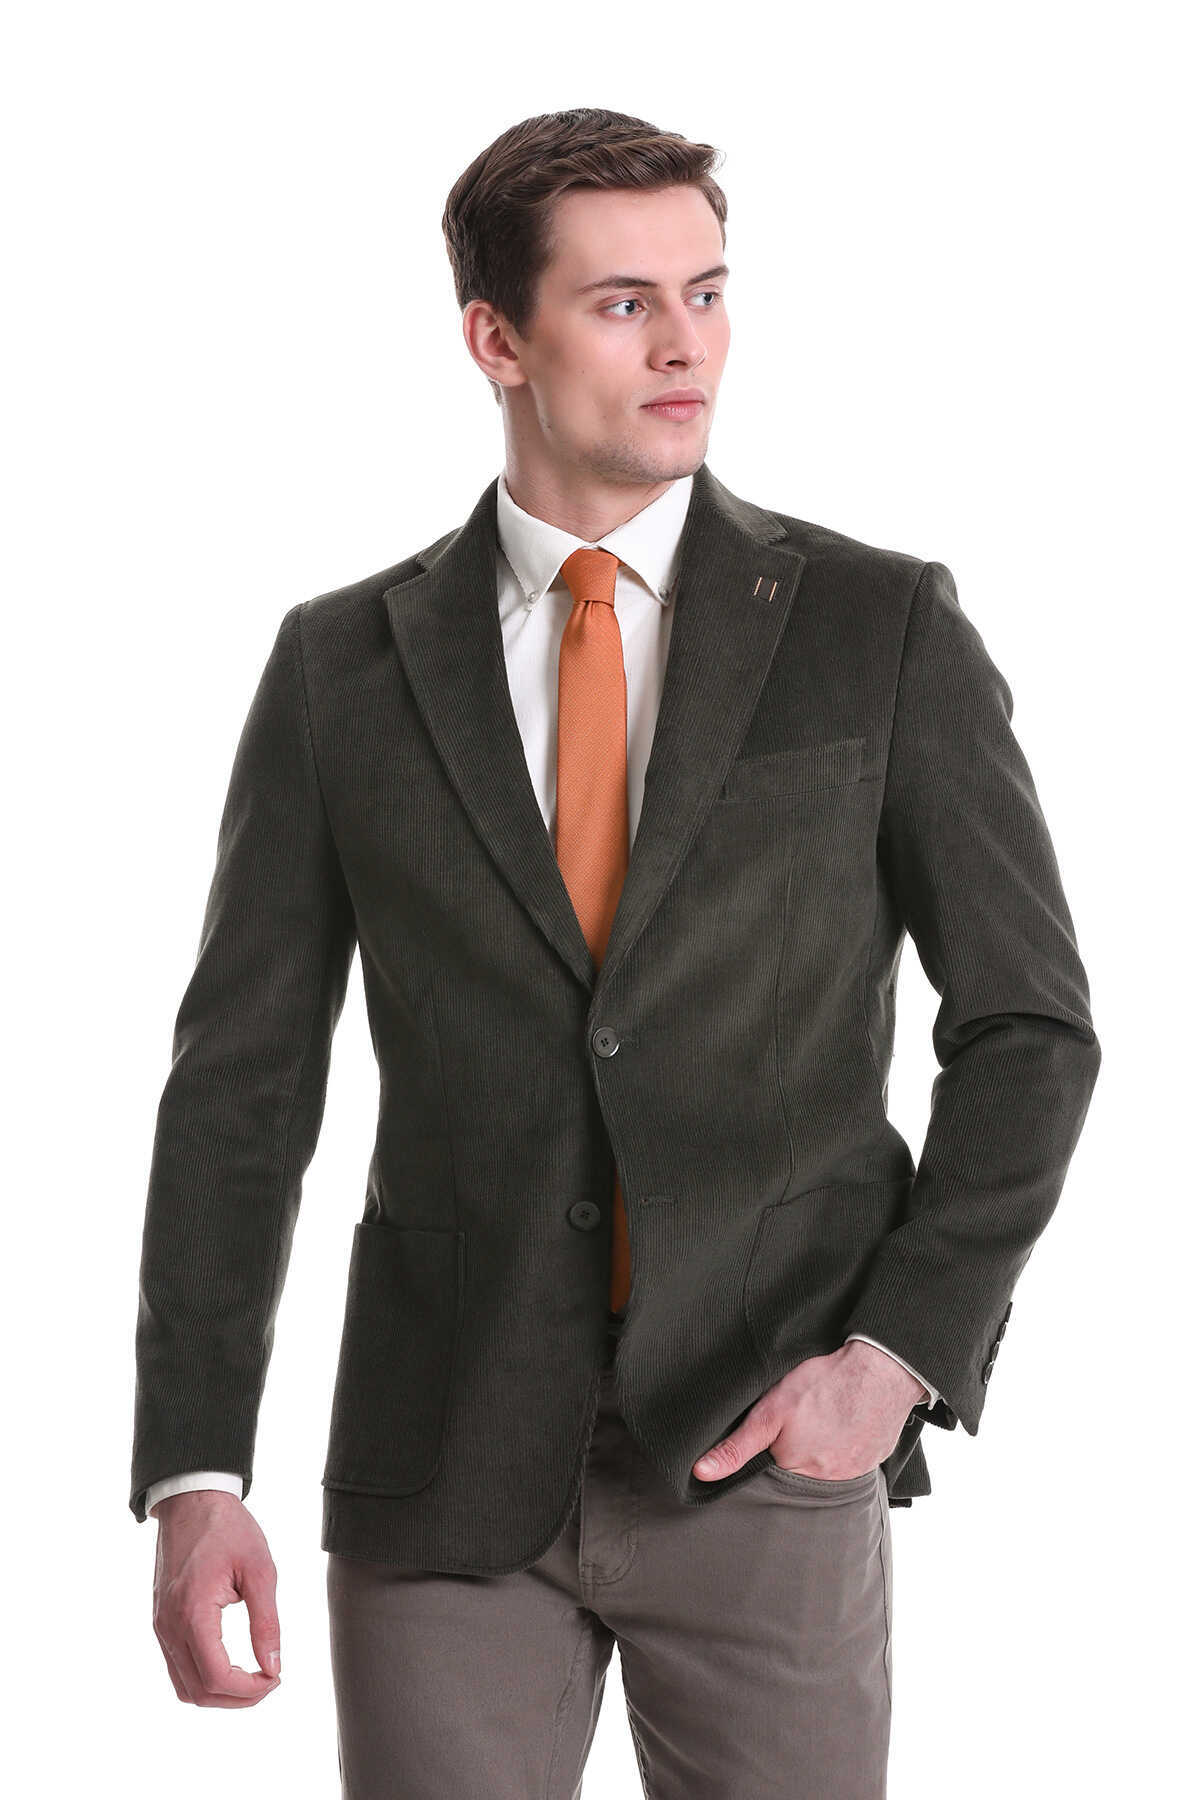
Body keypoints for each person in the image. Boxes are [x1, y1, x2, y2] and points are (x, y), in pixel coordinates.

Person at [130, 107, 1101, 1797]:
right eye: (623, 303)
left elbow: (1029, 1028)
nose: (685, 347)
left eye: (707, 293)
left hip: (768, 1444)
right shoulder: (343, 667)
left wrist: (893, 1361)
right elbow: (241, 1087)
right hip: (442, 1466)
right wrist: (194, 1472)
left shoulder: (877, 628)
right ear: (496, 340)